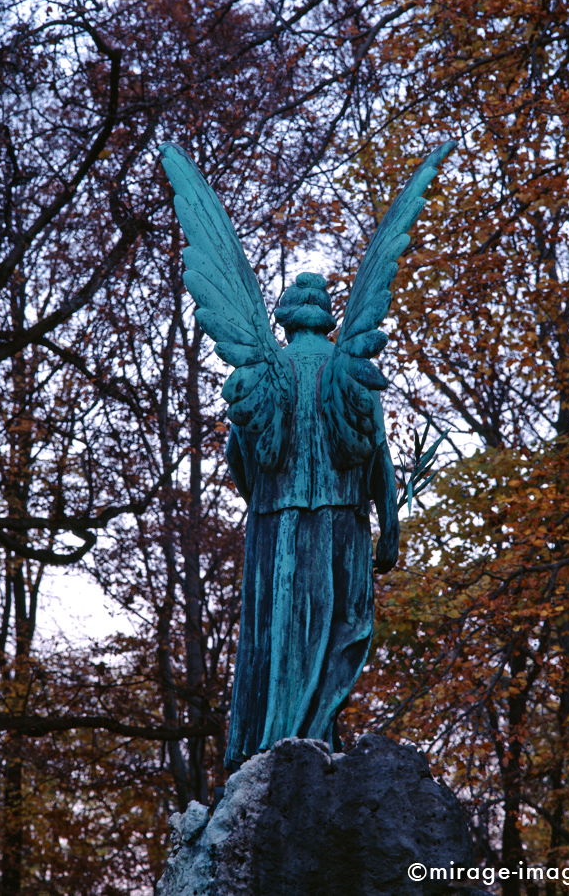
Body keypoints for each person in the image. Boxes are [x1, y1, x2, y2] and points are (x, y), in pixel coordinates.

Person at [223, 273, 399, 769]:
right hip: (343, 520)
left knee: (276, 635)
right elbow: (378, 456)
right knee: (340, 625)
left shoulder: (262, 370)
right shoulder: (349, 369)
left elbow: (239, 455)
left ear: (284, 319)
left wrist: (260, 492)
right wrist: (391, 525)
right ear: (328, 320)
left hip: (273, 524)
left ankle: (271, 744)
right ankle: (316, 736)